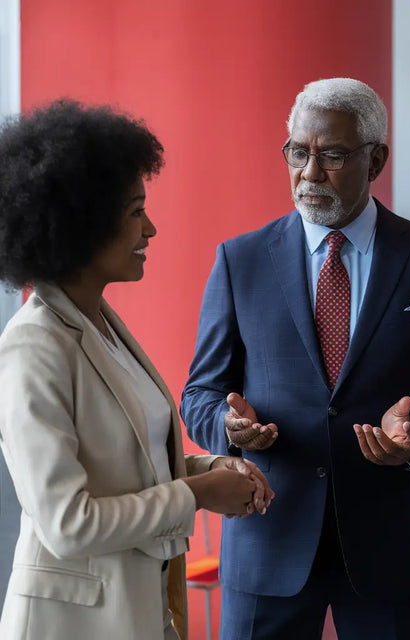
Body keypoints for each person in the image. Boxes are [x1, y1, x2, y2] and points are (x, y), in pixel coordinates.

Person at [181, 77, 410, 639]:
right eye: (299, 153)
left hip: (392, 550)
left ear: (377, 160)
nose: (310, 173)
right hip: (267, 538)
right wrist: (229, 429)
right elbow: (199, 393)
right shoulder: (240, 260)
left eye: (334, 156)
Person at [0, 100, 273, 640]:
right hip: (72, 622)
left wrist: (213, 468)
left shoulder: (101, 323)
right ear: (81, 224)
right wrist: (198, 495)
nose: (150, 228)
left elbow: (130, 464)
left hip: (142, 612)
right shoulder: (34, 346)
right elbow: (67, 522)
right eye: (133, 212)